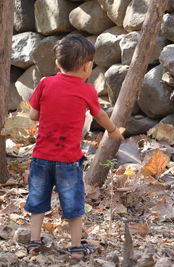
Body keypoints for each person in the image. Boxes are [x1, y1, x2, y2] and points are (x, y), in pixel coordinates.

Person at [24, 34, 123, 260]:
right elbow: (100, 115)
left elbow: (32, 115)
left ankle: (33, 242)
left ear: (57, 63)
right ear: (88, 67)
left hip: (41, 157)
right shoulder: (87, 91)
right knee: (73, 204)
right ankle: (77, 248)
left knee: (37, 201)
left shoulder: (45, 83)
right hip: (68, 160)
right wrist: (113, 131)